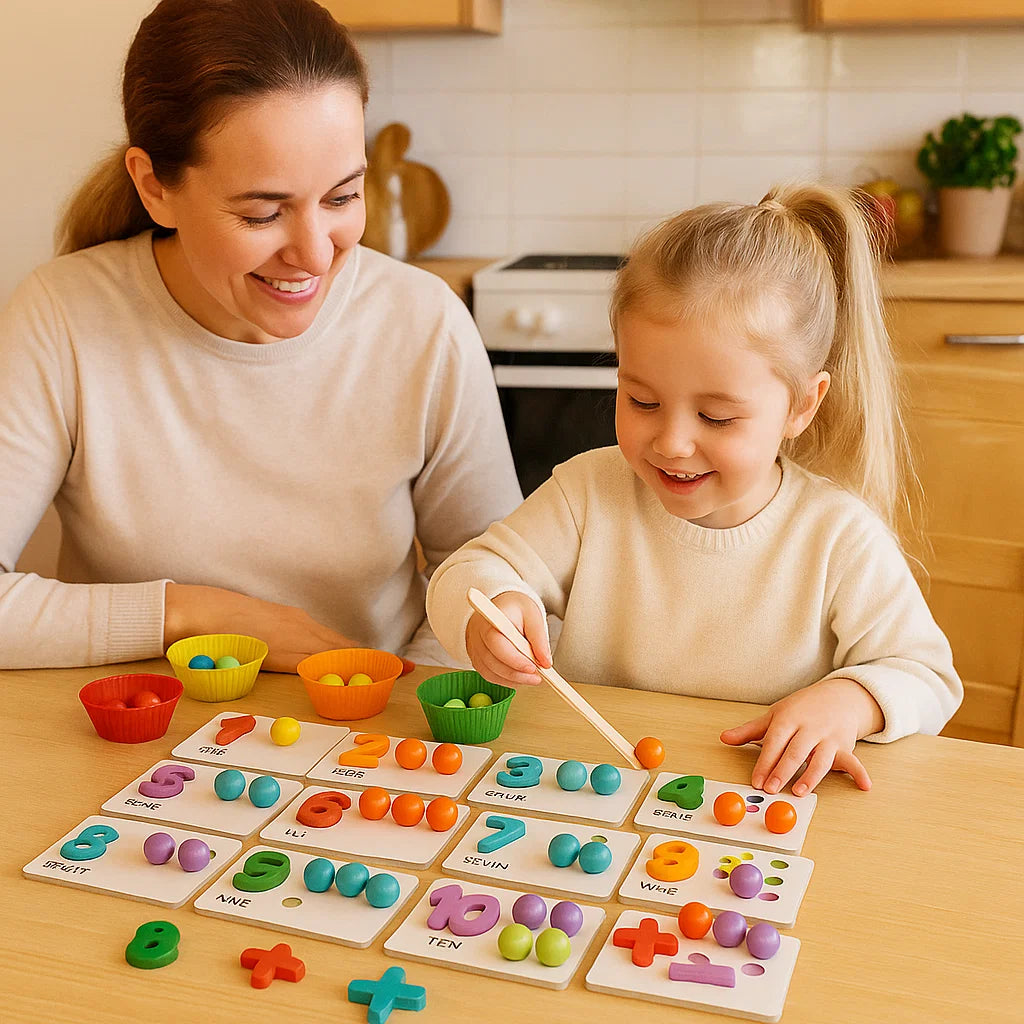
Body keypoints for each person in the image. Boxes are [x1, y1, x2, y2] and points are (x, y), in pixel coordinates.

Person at [0, 0, 521, 672]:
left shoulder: (423, 322)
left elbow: (487, 578)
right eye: (262, 214)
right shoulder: (62, 316)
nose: (314, 254)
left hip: (356, 742)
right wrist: (190, 614)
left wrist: (397, 699)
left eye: (341, 198)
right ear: (154, 185)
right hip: (135, 739)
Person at [427, 182, 962, 797]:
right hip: (593, 795)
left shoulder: (837, 537)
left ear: (802, 406)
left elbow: (928, 677)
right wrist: (490, 608)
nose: (672, 443)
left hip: (759, 811)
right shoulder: (586, 493)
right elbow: (467, 572)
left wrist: (853, 699)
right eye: (642, 400)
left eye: (716, 417)